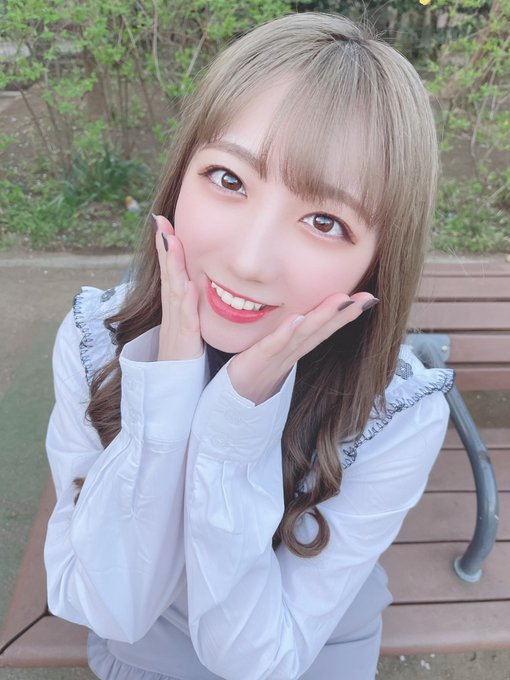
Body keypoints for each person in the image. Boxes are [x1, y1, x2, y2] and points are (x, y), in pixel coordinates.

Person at [44, 12, 453, 680]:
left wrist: (234, 426)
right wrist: (167, 392)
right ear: (182, 173)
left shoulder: (395, 415)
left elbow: (260, 658)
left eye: (325, 221)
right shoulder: (97, 342)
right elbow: (110, 607)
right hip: (142, 657)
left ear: (377, 263)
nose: (249, 259)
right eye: (229, 179)